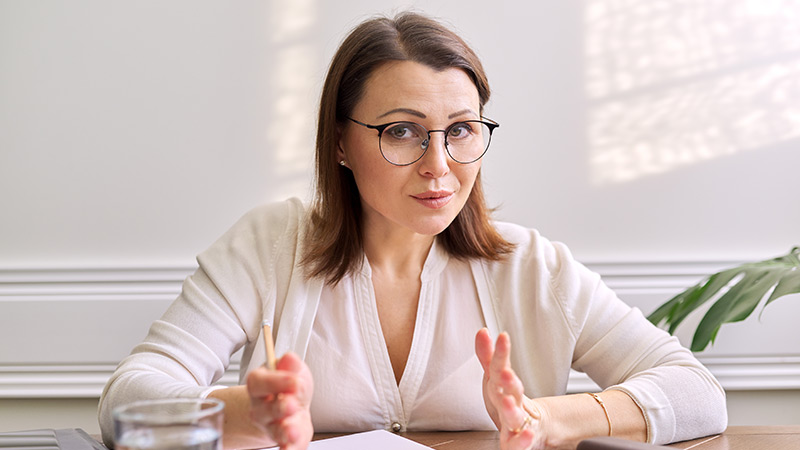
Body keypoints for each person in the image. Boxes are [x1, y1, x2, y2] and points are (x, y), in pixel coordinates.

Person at [97, 11, 727, 450]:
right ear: (341, 142)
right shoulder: (271, 245)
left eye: (460, 129)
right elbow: (126, 401)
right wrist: (247, 414)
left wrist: (546, 419)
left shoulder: (534, 268)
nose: (439, 164)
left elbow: (697, 393)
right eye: (400, 130)